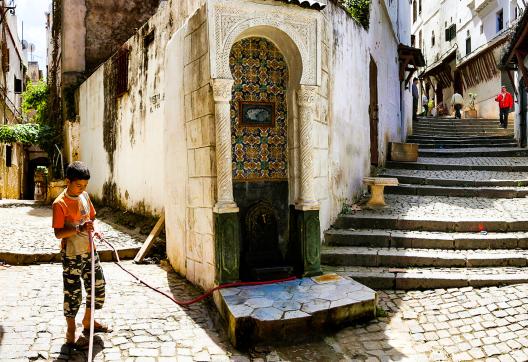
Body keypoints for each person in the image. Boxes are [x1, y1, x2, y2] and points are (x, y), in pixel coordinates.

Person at [52, 161, 111, 349]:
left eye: (85, 186)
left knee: (98, 286)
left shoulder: (84, 196)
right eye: (78, 185)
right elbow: (58, 233)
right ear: (67, 181)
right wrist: (78, 228)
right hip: (72, 255)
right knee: (73, 294)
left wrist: (95, 230)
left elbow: (91, 217)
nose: (82, 189)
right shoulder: (59, 204)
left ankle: (88, 321)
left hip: (90, 250)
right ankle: (71, 331)